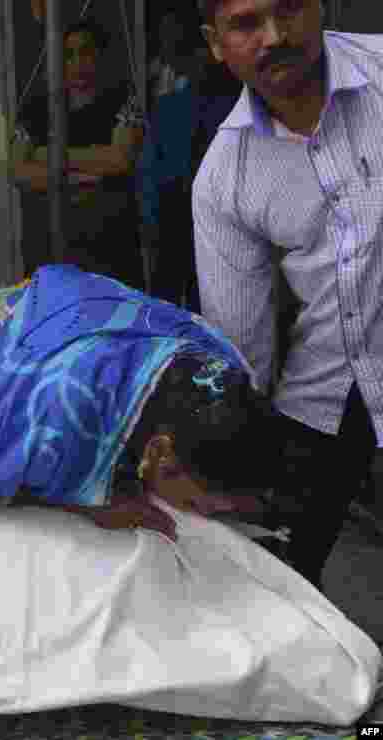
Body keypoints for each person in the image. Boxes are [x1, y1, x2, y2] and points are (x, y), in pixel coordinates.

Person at [192, 0, 383, 590]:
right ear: (216, 43)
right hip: (330, 383)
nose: (274, 36)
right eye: (247, 24)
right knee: (277, 584)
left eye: (289, 9)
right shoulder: (227, 176)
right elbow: (240, 346)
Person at [0, 265, 277, 537]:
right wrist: (82, 508)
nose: (202, 515)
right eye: (196, 505)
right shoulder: (51, 413)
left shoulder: (227, 368)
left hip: (78, 315)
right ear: (161, 456)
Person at [13, 18, 146, 287]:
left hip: (110, 253)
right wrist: (83, 176)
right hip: (48, 253)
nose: (77, 63)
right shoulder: (34, 110)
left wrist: (45, 155)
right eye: (68, 55)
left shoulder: (124, 100)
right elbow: (19, 171)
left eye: (85, 51)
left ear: (99, 56)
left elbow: (119, 159)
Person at [138, 10, 242, 309]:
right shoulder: (171, 99)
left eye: (171, 37)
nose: (166, 45)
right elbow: (151, 168)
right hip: (175, 208)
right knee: (170, 298)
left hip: (210, 208)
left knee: (205, 296)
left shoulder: (228, 97)